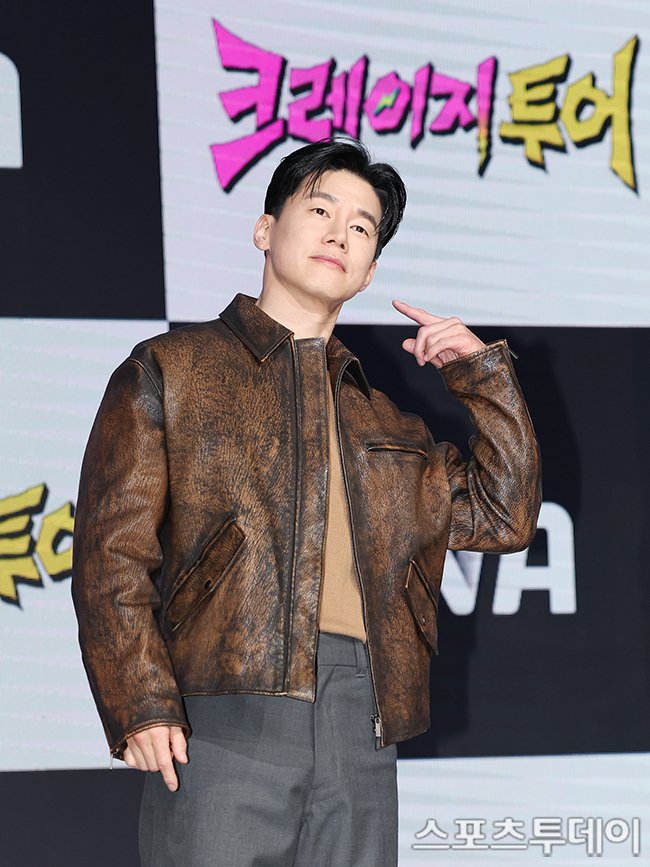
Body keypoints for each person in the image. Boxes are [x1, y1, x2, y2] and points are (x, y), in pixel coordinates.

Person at [72, 139, 541, 867]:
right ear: (266, 229)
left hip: (363, 716)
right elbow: (110, 552)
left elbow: (505, 514)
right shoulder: (172, 368)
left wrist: (483, 377)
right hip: (224, 706)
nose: (339, 233)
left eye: (361, 227)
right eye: (321, 210)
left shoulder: (389, 423)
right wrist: (139, 698)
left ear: (370, 269)